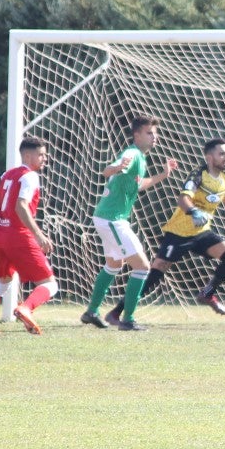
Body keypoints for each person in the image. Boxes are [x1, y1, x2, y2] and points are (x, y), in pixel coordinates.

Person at [104, 137, 225, 327]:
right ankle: (116, 312)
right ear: (210, 158)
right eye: (222, 154)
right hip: (178, 233)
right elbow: (183, 198)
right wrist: (193, 211)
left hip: (201, 232)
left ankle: (207, 293)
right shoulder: (198, 175)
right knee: (155, 273)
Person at [80, 115, 177, 331]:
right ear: (136, 135)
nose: (154, 137)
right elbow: (107, 170)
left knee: (114, 264)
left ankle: (91, 312)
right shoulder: (132, 154)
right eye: (149, 133)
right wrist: (115, 168)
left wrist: (163, 175)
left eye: (155, 133)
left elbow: (139, 185)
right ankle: (128, 320)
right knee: (142, 267)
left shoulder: (140, 158)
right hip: (112, 219)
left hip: (107, 217)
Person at [0, 137, 57, 336]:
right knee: (49, 284)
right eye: (41, 154)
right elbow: (21, 206)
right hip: (20, 236)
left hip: (1, 236)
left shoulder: (7, 175)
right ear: (27, 155)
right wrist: (38, 235)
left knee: (2, 283)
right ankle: (26, 308)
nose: (45, 158)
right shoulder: (30, 176)